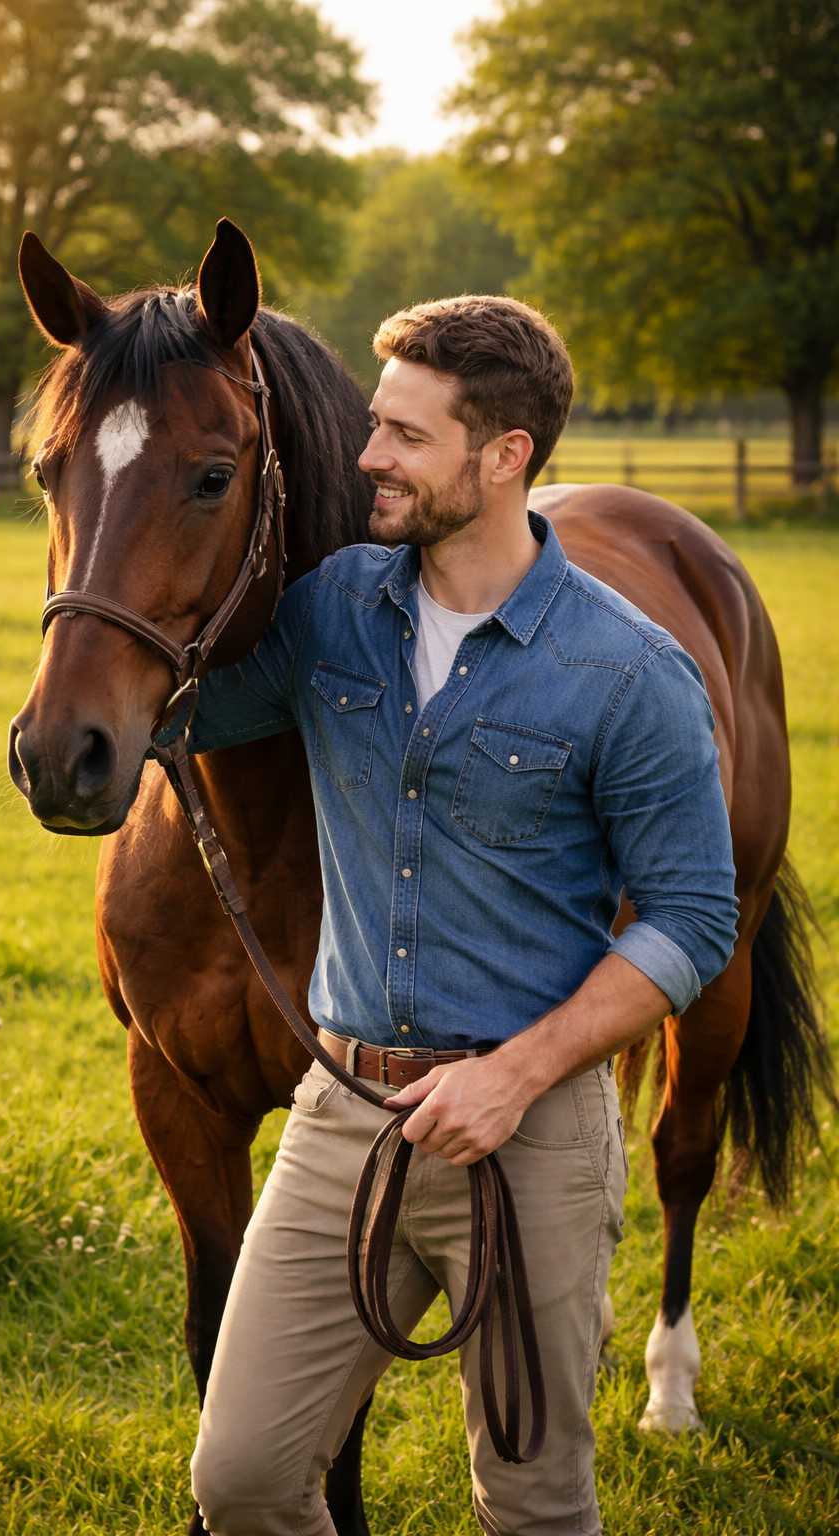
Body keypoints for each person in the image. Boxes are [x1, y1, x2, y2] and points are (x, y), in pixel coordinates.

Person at [170, 296, 738, 1535]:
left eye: (405, 436)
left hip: (528, 1134)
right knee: (241, 1480)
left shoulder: (630, 672)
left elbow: (694, 918)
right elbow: (181, 715)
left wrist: (514, 1075)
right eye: (373, 425)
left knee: (531, 1504)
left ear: (503, 457)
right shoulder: (332, 609)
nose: (366, 456)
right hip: (345, 1118)